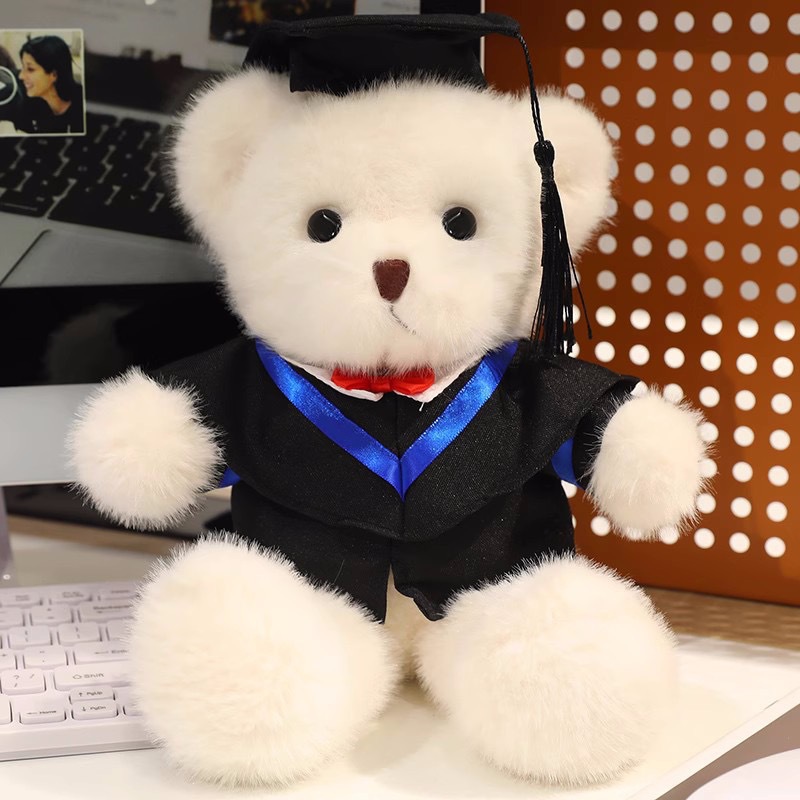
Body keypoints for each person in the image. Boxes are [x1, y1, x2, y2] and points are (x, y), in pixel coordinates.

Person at [14, 35, 85, 134]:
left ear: (54, 74)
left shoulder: (84, 104)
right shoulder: (29, 105)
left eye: (30, 69)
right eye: (23, 68)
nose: (21, 76)